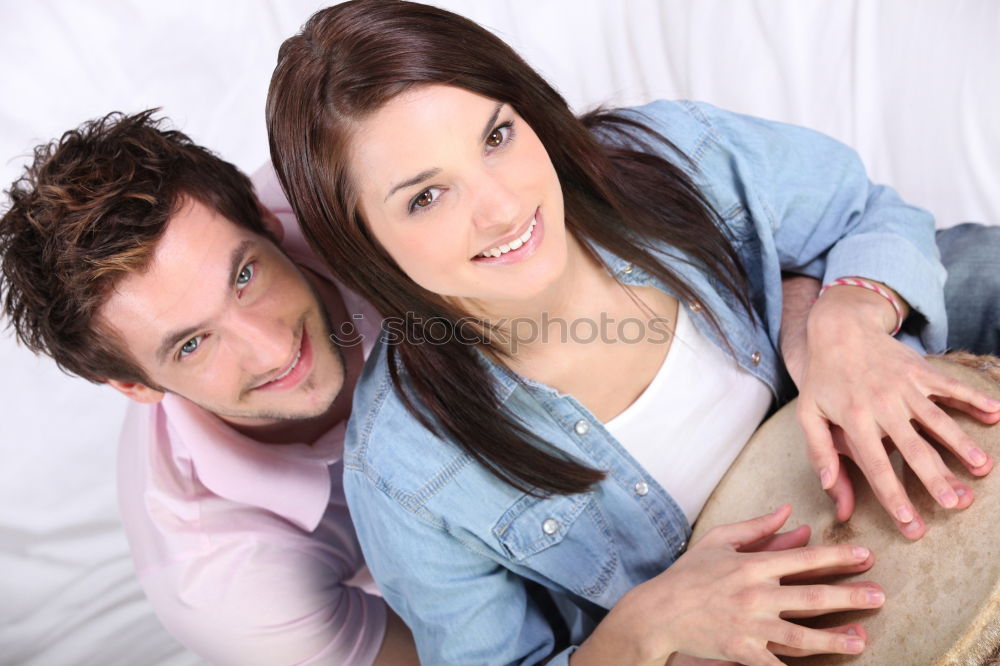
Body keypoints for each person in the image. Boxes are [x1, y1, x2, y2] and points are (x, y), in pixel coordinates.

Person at [264, 2, 1000, 665]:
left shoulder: (669, 153)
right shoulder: (405, 473)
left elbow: (865, 211)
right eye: (426, 196)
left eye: (496, 135)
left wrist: (848, 318)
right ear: (362, 242)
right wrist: (643, 626)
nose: (501, 206)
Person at [0, 110, 418, 665]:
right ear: (134, 386)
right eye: (192, 345)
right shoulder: (229, 584)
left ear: (267, 220)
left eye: (244, 277)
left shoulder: (358, 169)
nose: (272, 350)